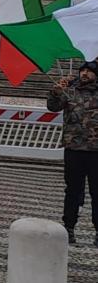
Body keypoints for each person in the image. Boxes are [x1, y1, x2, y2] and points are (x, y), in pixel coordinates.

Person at [47, 60, 98, 246]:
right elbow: (52, 107)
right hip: (74, 149)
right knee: (73, 191)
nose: (84, 73)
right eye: (82, 70)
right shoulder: (70, 89)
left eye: (89, 71)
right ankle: (69, 227)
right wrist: (55, 92)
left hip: (95, 150)